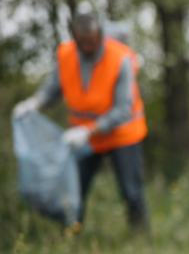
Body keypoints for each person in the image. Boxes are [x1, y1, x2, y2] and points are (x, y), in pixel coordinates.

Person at [13, 14, 149, 231]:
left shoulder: (120, 59)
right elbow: (52, 88)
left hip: (122, 135)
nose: (88, 46)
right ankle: (71, 238)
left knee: (131, 191)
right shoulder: (65, 55)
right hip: (84, 140)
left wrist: (88, 131)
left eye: (92, 41)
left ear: (101, 36)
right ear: (75, 39)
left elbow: (123, 109)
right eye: (83, 42)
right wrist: (34, 103)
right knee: (75, 189)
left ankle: (141, 238)